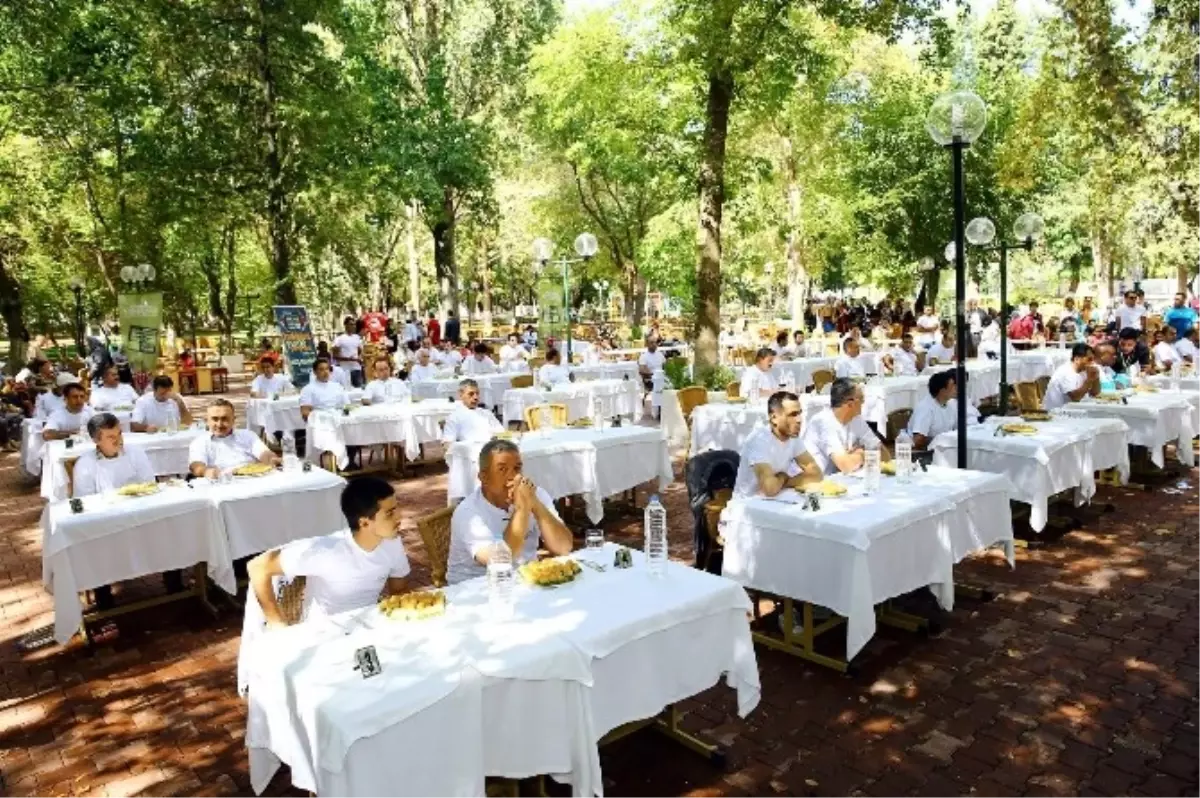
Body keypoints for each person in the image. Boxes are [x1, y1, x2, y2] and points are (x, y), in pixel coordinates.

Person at [248, 476, 411, 626]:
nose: (400, 517)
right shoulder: (327, 551)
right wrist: (277, 624)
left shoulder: (392, 543)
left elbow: (399, 591)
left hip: (370, 625)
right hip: (325, 633)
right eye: (390, 513)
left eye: (397, 509)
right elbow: (257, 567)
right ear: (364, 523)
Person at [446, 438, 573, 584]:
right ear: (483, 477)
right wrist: (522, 509)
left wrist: (536, 505)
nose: (513, 476)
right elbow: (499, 561)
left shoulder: (535, 494)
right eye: (502, 469)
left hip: (525, 580)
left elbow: (564, 547)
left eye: (517, 468)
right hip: (476, 587)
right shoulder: (468, 513)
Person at [732, 391, 822, 498]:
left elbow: (816, 473)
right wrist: (783, 477)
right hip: (748, 504)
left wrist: (783, 480)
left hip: (778, 497)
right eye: (792, 415)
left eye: (799, 413)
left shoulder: (792, 437)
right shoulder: (759, 440)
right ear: (774, 418)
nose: (799, 420)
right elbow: (769, 488)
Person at [802, 378, 886, 475]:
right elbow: (847, 466)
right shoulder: (823, 422)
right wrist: (862, 452)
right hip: (818, 482)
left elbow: (885, 455)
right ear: (850, 404)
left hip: (840, 479)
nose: (863, 403)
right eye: (862, 399)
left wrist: (855, 455)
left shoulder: (856, 419)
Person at [188, 399, 277, 479]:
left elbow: (264, 454)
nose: (219, 424)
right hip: (220, 484)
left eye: (224, 419)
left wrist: (272, 459)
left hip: (253, 480)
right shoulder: (199, 442)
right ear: (207, 421)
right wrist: (206, 472)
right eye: (215, 419)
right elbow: (196, 466)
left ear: (233, 420)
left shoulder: (248, 435)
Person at [72, 413, 156, 497]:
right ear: (96, 440)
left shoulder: (136, 452)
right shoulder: (84, 465)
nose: (119, 440)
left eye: (119, 434)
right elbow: (85, 500)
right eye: (111, 437)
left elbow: (150, 484)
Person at [908, 370, 979, 450]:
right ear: (942, 390)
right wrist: (940, 440)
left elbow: (957, 427)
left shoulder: (951, 403)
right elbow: (918, 440)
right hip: (927, 450)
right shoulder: (926, 408)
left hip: (945, 446)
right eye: (952, 386)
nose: (956, 388)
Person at [1044, 343, 1101, 410]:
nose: (1092, 363)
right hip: (1057, 412)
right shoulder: (1065, 371)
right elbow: (1075, 397)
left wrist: (1096, 378)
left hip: (1074, 410)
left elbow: (1095, 393)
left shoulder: (1084, 370)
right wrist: (1089, 380)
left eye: (1093, 359)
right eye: (1089, 359)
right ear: (1077, 359)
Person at [333, 316, 365, 389]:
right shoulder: (339, 339)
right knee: (346, 390)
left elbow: (360, 351)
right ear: (345, 325)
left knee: (358, 390)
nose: (353, 326)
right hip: (345, 370)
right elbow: (334, 356)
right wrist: (349, 359)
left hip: (357, 369)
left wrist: (360, 357)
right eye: (351, 324)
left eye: (354, 324)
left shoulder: (357, 338)